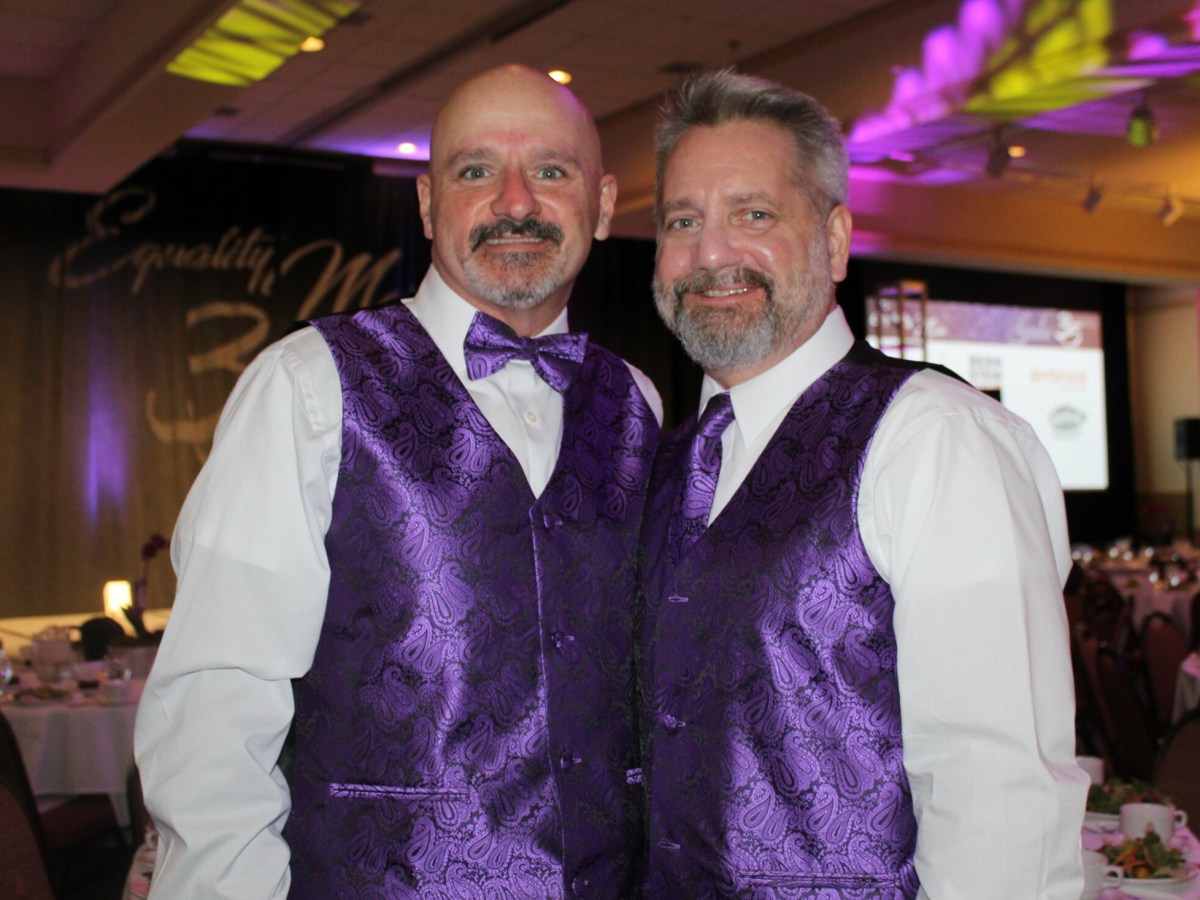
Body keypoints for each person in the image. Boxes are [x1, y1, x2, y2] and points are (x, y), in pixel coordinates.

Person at [135, 64, 662, 898]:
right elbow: (215, 708)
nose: (515, 201)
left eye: (551, 170)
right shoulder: (308, 386)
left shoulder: (640, 402)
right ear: (427, 204)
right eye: (476, 170)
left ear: (601, 206)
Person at [638, 69, 1087, 898]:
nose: (711, 254)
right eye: (683, 221)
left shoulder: (935, 439)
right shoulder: (666, 463)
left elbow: (998, 801)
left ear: (836, 240)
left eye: (754, 214)